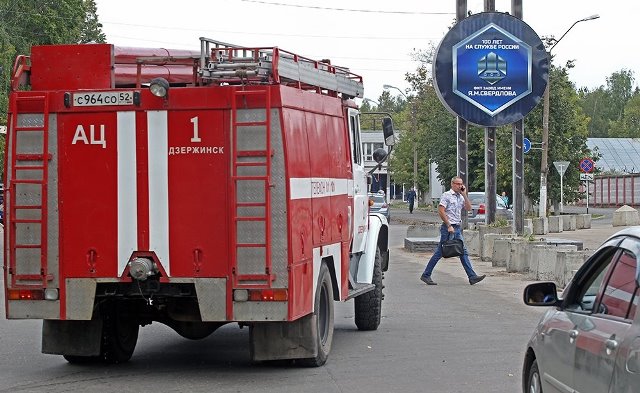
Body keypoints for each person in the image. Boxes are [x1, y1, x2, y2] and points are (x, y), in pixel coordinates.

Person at [420, 176, 486, 286]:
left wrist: (464, 194)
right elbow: (441, 211)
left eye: (461, 184)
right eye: (458, 184)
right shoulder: (446, 195)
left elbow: (469, 208)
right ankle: (426, 275)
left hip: (457, 228)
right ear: (452, 184)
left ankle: (472, 277)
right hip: (448, 228)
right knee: (440, 252)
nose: (460, 186)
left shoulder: (460, 197)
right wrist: (448, 225)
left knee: (463, 252)